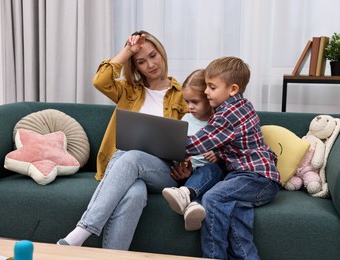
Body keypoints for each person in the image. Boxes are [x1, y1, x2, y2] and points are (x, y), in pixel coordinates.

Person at [57, 30, 188, 250]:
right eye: (141, 61)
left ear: (162, 54)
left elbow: (194, 135)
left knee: (133, 156)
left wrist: (187, 167)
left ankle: (80, 234)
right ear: (135, 66)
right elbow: (100, 80)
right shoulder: (129, 91)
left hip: (164, 173)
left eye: (153, 55)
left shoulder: (183, 94)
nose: (151, 64)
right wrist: (128, 50)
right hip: (126, 170)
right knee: (134, 194)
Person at [185, 56, 281, 259]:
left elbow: (198, 143)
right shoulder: (243, 105)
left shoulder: (227, 114)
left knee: (212, 198)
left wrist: (166, 143)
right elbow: (240, 143)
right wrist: (219, 153)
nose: (206, 91)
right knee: (236, 219)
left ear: (233, 89)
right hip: (255, 179)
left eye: (212, 87)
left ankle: (213, 256)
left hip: (256, 178)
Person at [162, 69, 226, 231]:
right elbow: (180, 152)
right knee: (198, 176)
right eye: (187, 101)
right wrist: (182, 168)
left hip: (216, 174)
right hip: (191, 175)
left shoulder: (220, 121)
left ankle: (190, 201)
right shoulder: (186, 120)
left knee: (211, 169)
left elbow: (233, 152)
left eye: (195, 102)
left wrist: (218, 155)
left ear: (208, 97)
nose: (190, 107)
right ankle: (193, 205)